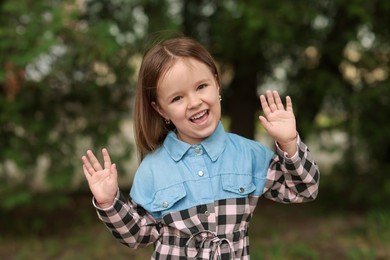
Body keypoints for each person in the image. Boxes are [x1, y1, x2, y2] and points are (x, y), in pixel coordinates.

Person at [81, 36, 320, 260]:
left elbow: (303, 190)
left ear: (217, 84)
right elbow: (139, 236)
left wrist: (289, 143)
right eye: (177, 98)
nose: (194, 102)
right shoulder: (153, 169)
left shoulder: (249, 155)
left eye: (201, 86)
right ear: (161, 110)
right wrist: (109, 202)